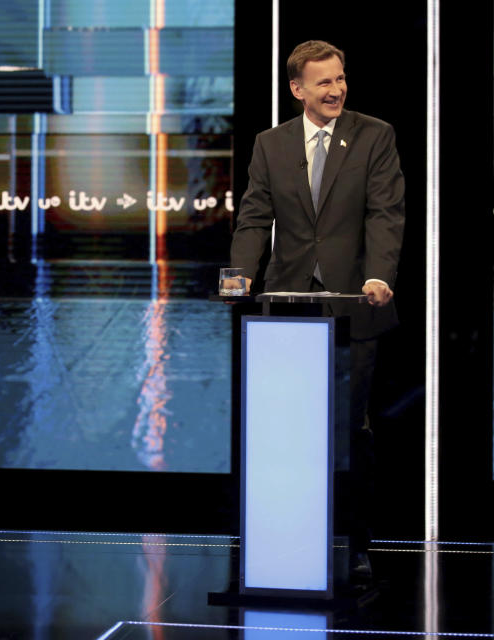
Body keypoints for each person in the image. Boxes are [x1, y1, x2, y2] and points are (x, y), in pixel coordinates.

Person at [230, 40, 405, 582]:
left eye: (341, 79)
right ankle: (283, 540)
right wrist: (240, 274)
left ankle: (355, 543)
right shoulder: (271, 143)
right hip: (289, 308)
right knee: (285, 432)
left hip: (356, 305)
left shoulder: (374, 135)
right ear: (297, 89)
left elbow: (386, 212)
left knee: (350, 431)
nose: (336, 90)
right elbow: (255, 215)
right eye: (323, 82)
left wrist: (379, 275)